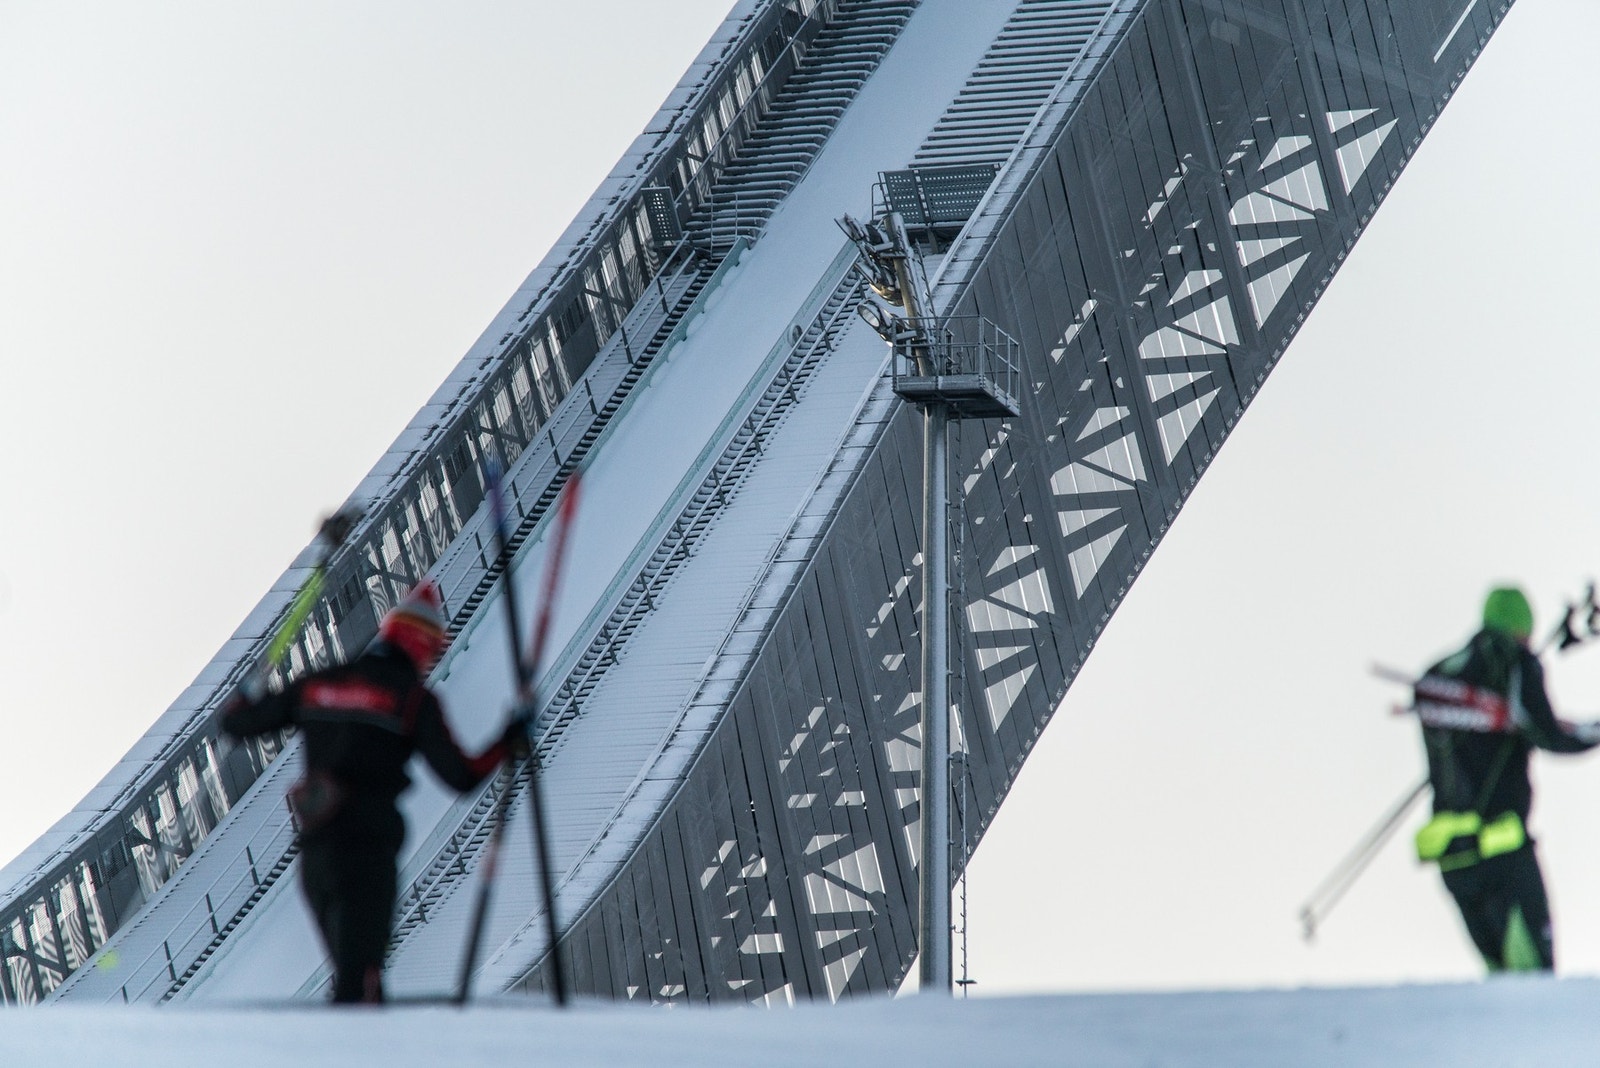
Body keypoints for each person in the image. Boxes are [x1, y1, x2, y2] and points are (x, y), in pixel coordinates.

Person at [223, 579, 515, 1003]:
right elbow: (463, 777)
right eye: (432, 651)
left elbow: (236, 724)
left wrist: (245, 695)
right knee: (363, 986)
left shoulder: (319, 685)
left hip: (316, 860)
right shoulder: (411, 701)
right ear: (420, 644)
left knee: (351, 984)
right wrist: (510, 740)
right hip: (367, 859)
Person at [1411, 586, 1598, 972]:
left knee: (1499, 988)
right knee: (1532, 987)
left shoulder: (1439, 675)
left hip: (1454, 861)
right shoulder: (1514, 663)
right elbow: (1547, 733)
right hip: (1502, 854)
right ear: (1521, 627)